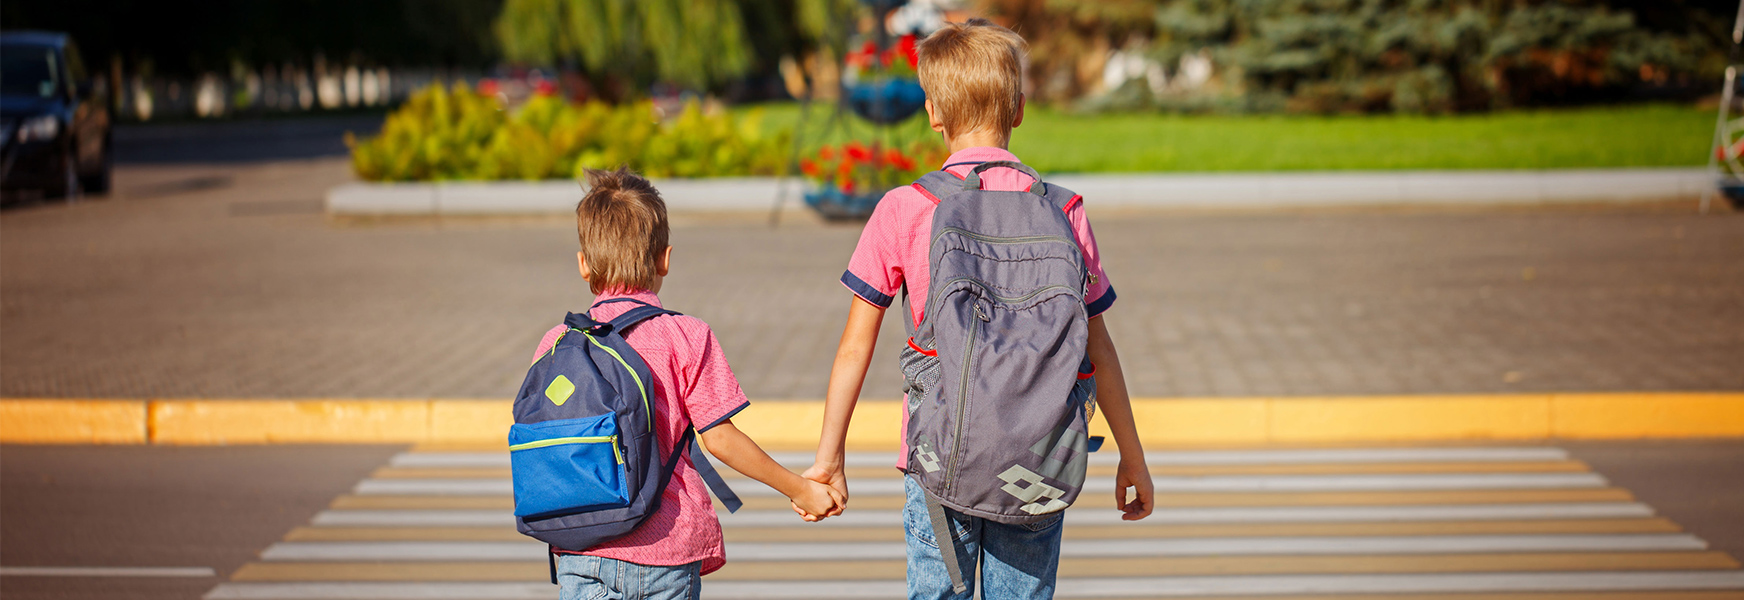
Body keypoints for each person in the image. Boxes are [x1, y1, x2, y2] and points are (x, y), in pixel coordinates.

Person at [800, 18, 1157, 600]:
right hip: (1038, 458)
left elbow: (854, 345)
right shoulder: (1064, 210)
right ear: (1018, 110)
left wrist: (829, 455)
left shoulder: (905, 208)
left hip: (939, 456)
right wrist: (1132, 457)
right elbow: (1099, 347)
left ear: (933, 112)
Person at [534, 167, 843, 600]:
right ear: (664, 258)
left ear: (584, 264)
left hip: (582, 547)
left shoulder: (557, 344)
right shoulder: (686, 336)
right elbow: (719, 438)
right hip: (666, 552)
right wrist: (800, 488)